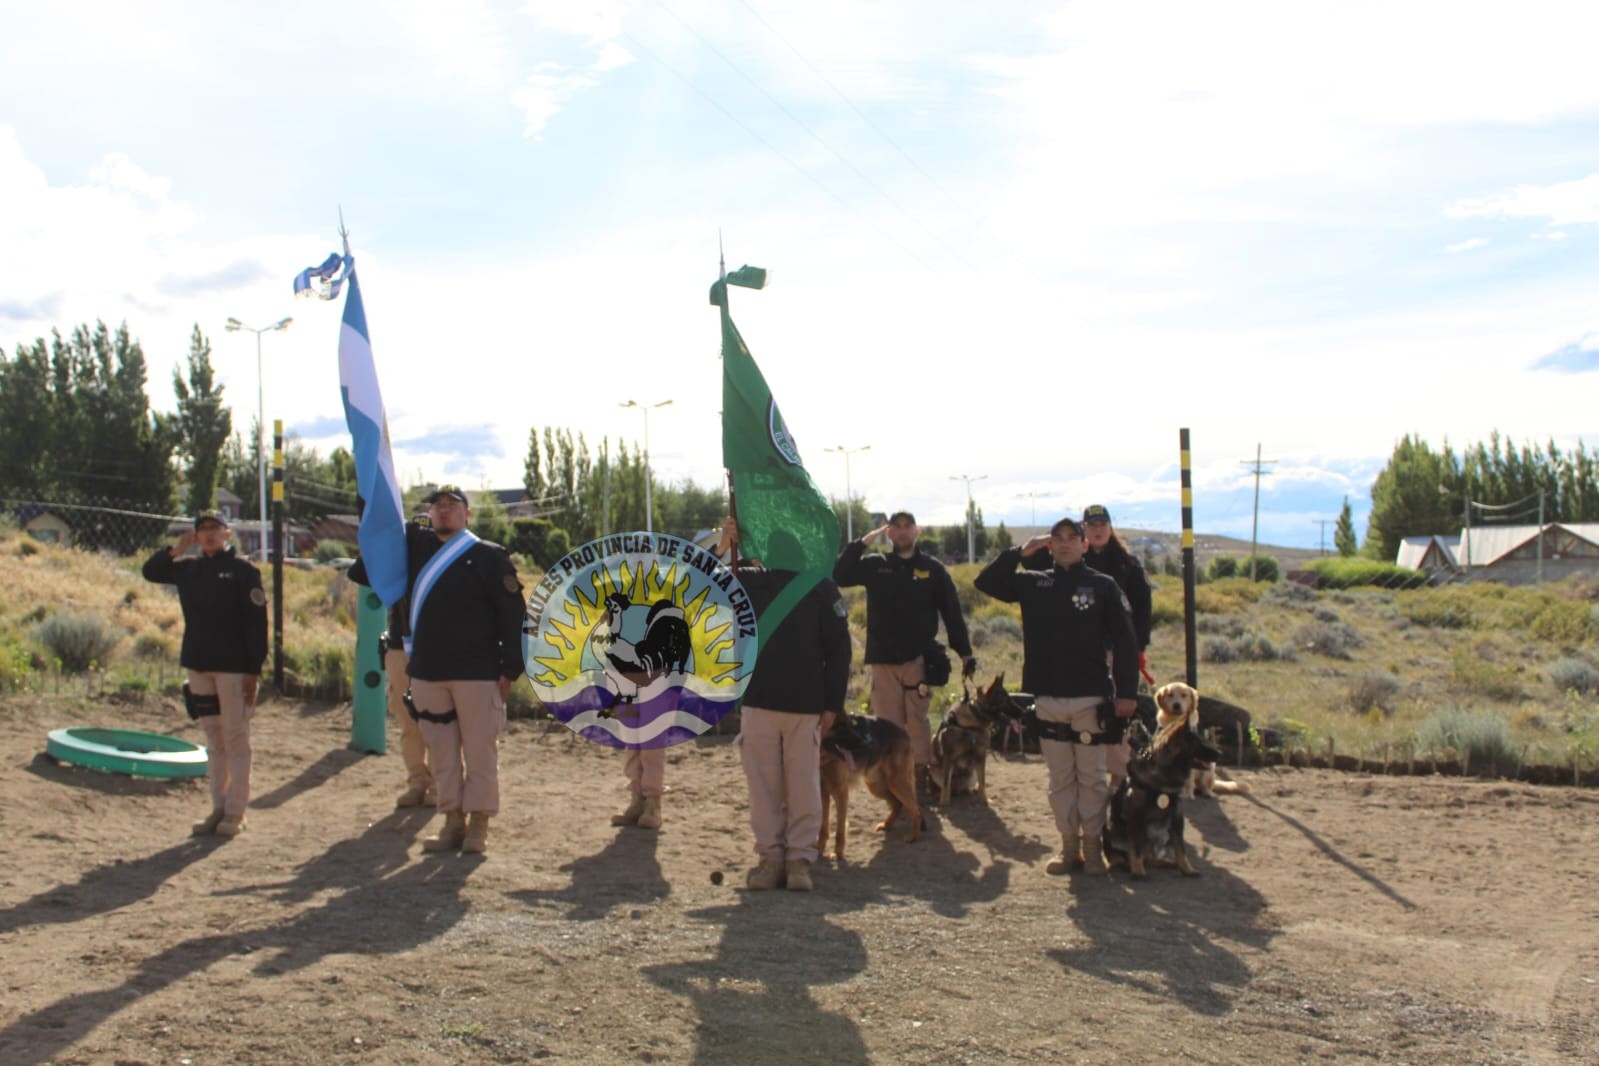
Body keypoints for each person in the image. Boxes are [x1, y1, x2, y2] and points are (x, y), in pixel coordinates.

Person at [975, 517, 1139, 876]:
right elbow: (985, 581)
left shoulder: (1103, 586)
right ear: (1050, 545)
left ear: (1083, 544)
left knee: (1092, 778)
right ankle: (1069, 849)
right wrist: (1020, 551)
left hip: (1091, 698)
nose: (1065, 544)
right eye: (1057, 538)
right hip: (1047, 697)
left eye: (1072, 538)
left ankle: (1094, 849)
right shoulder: (1035, 583)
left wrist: (1127, 693)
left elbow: (1127, 642)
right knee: (1060, 779)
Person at [391, 486, 525, 855]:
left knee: (480, 750)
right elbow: (374, 543)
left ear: (467, 515)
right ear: (429, 515)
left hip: (478, 671)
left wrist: (510, 668)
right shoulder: (415, 552)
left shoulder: (488, 556)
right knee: (442, 753)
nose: (444, 511)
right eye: (437, 507)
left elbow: (513, 614)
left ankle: (479, 822)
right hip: (428, 671)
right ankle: (452, 821)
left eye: (452, 506)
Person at [723, 517, 850, 892]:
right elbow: (840, 652)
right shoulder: (820, 588)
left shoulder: (753, 582)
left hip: (772, 701)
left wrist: (722, 545)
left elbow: (696, 584)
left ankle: (780, 861)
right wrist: (832, 705)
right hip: (797, 703)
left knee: (771, 788)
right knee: (801, 785)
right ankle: (792, 861)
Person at [142, 509, 267, 838]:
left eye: (216, 528)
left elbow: (257, 625)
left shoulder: (243, 572)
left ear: (227, 534)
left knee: (236, 737)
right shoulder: (189, 569)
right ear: (196, 536)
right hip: (199, 663)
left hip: (235, 667)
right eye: (203, 529)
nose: (209, 534)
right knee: (213, 738)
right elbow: (151, 571)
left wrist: (254, 670)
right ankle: (218, 806)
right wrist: (176, 548)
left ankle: (236, 813)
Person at [833, 511, 975, 799]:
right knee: (888, 725)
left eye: (907, 527)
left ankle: (919, 782)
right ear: (889, 533)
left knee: (917, 724)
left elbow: (951, 612)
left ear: (916, 531)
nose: (901, 532)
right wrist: (861, 543)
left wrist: (965, 652)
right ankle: (894, 787)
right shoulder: (876, 565)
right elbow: (840, 574)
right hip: (883, 659)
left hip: (918, 660)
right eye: (895, 527)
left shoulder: (932, 569)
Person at [1079, 504, 1154, 792]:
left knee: (1118, 714)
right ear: (1083, 528)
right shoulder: (1075, 561)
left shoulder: (1128, 566)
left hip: (1117, 652)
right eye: (1092, 524)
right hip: (1081, 652)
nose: (1098, 529)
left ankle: (1120, 777)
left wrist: (1138, 649)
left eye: (1102, 524)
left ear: (1110, 528)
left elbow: (1143, 611)